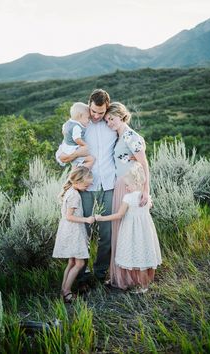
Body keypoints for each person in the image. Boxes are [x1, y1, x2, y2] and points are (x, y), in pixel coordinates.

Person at [59, 89, 117, 284]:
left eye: (101, 112)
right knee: (82, 233)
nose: (97, 116)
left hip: (109, 183)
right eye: (94, 111)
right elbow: (60, 156)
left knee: (106, 233)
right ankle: (82, 278)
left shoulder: (112, 124)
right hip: (85, 186)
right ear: (89, 105)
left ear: (106, 108)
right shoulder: (80, 125)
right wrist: (76, 155)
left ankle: (100, 275)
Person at [95, 162, 162, 293]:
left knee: (137, 256)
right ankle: (147, 284)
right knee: (145, 255)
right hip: (145, 230)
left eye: (127, 185)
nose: (125, 187)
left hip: (132, 231)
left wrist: (102, 218)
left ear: (136, 183)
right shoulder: (146, 197)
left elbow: (119, 215)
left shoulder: (128, 198)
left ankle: (143, 287)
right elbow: (149, 207)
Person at [104, 102, 150, 289]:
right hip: (120, 186)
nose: (109, 123)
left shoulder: (131, 136)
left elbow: (144, 164)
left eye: (112, 119)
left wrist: (146, 190)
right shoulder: (118, 136)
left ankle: (134, 278)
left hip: (131, 188)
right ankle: (120, 276)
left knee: (131, 232)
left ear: (121, 116)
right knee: (120, 230)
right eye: (107, 120)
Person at [52, 166, 95, 302]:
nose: (88, 186)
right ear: (77, 182)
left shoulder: (70, 191)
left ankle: (63, 290)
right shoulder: (75, 195)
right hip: (73, 231)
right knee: (79, 263)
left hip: (68, 230)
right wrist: (87, 219)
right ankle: (67, 292)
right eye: (86, 184)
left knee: (71, 262)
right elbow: (69, 216)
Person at [56, 102, 95, 169]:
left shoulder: (67, 123)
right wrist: (84, 144)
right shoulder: (77, 127)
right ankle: (79, 170)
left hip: (66, 148)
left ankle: (76, 168)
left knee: (75, 162)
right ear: (80, 116)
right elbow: (77, 139)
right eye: (88, 118)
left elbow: (63, 132)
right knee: (91, 160)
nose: (89, 120)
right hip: (73, 149)